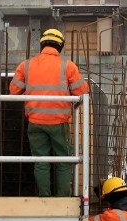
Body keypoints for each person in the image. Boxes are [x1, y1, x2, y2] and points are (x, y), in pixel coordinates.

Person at [9, 28, 89, 197]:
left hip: (35, 122)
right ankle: (62, 199)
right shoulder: (68, 66)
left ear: (42, 44)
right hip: (59, 122)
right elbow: (82, 92)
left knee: (41, 162)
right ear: (60, 46)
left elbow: (13, 91)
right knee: (63, 162)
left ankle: (45, 198)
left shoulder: (26, 65)